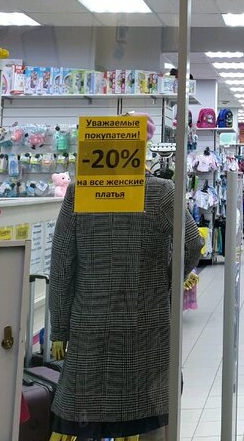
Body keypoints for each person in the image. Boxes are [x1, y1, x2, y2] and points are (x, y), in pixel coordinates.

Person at [48, 171, 204, 441]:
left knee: (89, 412)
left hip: (90, 325)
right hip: (147, 322)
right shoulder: (161, 191)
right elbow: (194, 243)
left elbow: (62, 265)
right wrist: (163, 283)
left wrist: (59, 329)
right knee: (150, 413)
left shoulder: (80, 191)